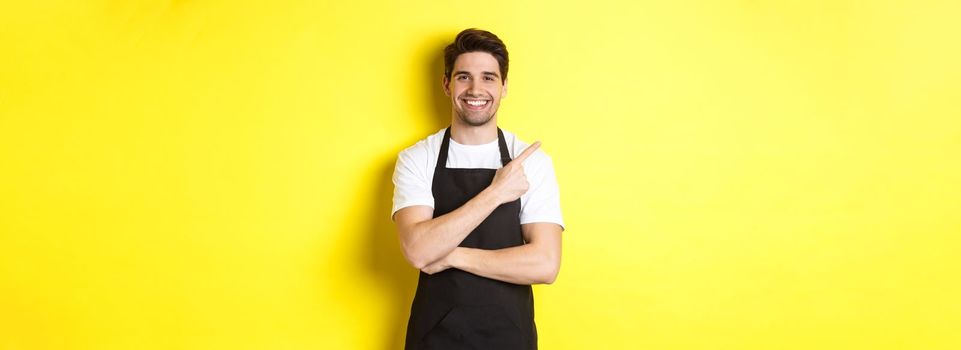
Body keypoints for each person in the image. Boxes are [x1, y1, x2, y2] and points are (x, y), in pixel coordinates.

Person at [391, 28, 565, 350]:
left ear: (504, 86)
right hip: (434, 339)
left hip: (510, 338)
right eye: (463, 77)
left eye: (488, 77)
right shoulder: (418, 158)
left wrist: (452, 255)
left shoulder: (531, 161)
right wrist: (496, 193)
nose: (475, 89)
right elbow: (417, 250)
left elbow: (545, 264)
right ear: (446, 84)